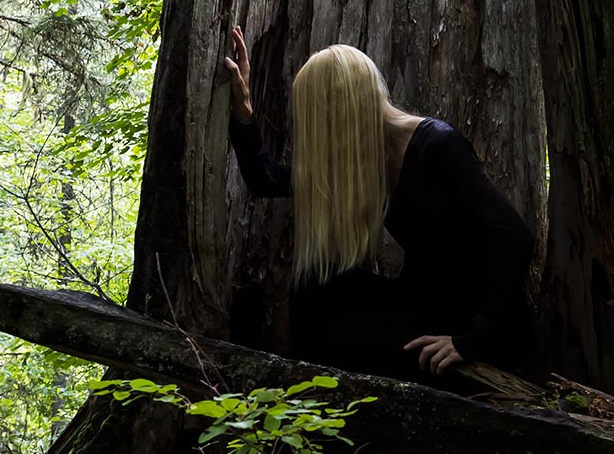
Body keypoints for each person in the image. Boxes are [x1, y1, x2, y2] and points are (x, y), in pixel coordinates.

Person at [223, 28, 535, 383]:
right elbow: (268, 179)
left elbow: (515, 237)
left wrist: (474, 338)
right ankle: (303, 406)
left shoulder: (437, 145)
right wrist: (244, 113)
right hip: (425, 302)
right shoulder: (363, 161)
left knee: (347, 341)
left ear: (343, 108)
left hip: (475, 321)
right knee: (317, 285)